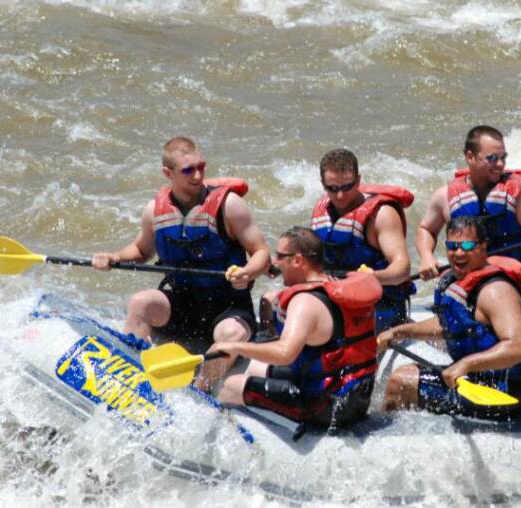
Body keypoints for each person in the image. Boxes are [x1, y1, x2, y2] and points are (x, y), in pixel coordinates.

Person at [92, 137, 270, 390]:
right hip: (181, 303)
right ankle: (128, 378)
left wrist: (247, 272)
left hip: (227, 306)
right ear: (168, 173)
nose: (198, 176)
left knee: (230, 336)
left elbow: (262, 252)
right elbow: (141, 250)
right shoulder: (154, 210)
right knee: (140, 302)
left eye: (201, 167)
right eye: (188, 170)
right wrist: (114, 257)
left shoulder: (230, 206)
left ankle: (199, 391)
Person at [213, 227, 382, 429]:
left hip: (323, 407)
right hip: (356, 398)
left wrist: (235, 347)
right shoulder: (335, 286)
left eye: (280, 256)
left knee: (230, 385)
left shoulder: (304, 301)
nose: (275, 262)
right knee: (257, 367)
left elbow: (285, 353)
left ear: (298, 261)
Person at [377, 216, 521, 420]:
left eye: (468, 245)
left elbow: (518, 348)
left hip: (503, 393)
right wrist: (397, 332)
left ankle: (389, 440)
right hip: (473, 379)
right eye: (453, 246)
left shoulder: (496, 292)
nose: (459, 253)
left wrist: (466, 365)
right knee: (407, 370)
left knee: (400, 382)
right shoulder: (453, 282)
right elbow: (447, 325)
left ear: (483, 247)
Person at [415, 125, 521, 286]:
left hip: (516, 283)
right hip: (465, 284)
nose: (500, 164)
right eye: (492, 158)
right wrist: (426, 257)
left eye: (503, 157)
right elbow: (426, 229)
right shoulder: (444, 196)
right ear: (470, 156)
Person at [310, 148, 414, 332]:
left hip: (380, 304)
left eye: (346, 187)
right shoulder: (321, 210)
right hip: (335, 299)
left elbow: (402, 269)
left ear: (358, 180)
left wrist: (372, 277)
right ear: (322, 184)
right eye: (332, 189)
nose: (340, 195)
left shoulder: (381, 215)